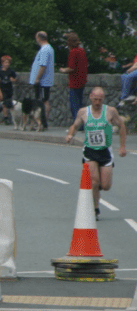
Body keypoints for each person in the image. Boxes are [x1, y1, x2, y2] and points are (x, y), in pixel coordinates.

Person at [65, 87, 127, 219]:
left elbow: (122, 126)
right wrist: (70, 135)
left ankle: (96, 190)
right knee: (93, 182)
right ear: (90, 97)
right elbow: (75, 126)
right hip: (90, 151)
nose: (97, 102)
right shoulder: (83, 112)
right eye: (95, 99)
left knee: (105, 185)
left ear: (103, 99)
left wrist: (122, 146)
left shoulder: (110, 111)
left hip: (105, 151)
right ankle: (95, 209)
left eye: (100, 99)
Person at [60, 32, 88, 121]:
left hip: (74, 81)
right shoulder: (81, 50)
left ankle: (77, 124)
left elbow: (72, 67)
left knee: (74, 105)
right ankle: (82, 123)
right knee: (80, 104)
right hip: (82, 80)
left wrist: (63, 70)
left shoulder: (73, 52)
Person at [29, 31, 54, 130]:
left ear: (39, 38)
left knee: (44, 101)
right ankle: (41, 122)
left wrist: (37, 78)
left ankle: (44, 122)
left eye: (36, 38)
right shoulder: (48, 48)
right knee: (43, 100)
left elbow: (43, 65)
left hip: (43, 81)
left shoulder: (45, 49)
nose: (36, 40)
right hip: (44, 80)